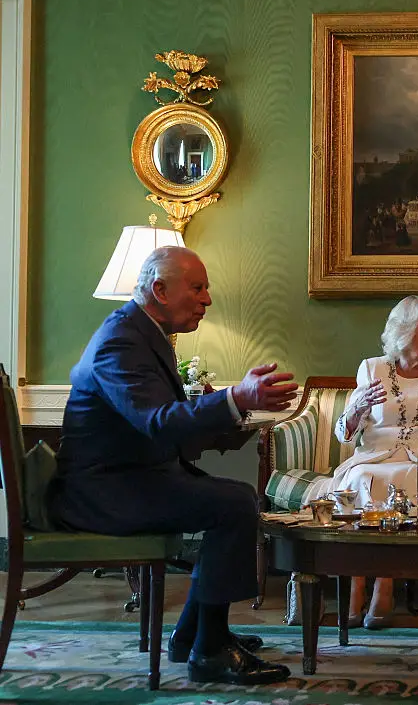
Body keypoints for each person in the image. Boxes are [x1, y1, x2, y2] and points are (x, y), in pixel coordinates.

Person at [48, 246, 299, 686]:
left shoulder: (143, 333)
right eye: (197, 288)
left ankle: (192, 637)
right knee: (233, 502)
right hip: (101, 493)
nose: (207, 299)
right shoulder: (121, 340)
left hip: (130, 479)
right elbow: (157, 423)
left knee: (231, 498)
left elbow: (161, 420)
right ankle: (210, 649)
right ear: (160, 290)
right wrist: (235, 399)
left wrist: (233, 411)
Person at [318, 296, 418, 629]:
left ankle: (384, 581)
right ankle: (358, 580)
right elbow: (345, 434)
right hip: (374, 456)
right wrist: (358, 406)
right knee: (362, 479)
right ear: (403, 333)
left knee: (410, 477)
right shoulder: (372, 368)